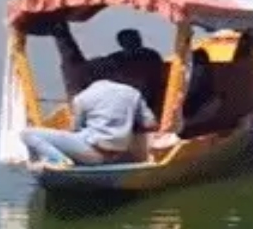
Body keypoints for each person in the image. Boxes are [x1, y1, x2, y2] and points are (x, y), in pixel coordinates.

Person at [20, 64, 157, 168]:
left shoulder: (83, 98)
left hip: (93, 153)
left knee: (27, 133)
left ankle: (60, 161)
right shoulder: (132, 92)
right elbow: (150, 123)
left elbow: (76, 129)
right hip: (119, 153)